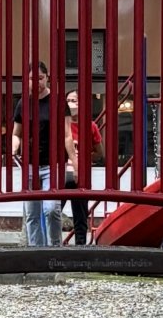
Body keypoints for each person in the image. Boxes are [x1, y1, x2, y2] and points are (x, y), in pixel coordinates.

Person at [10, 59, 61, 247]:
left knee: (51, 209)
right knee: (32, 213)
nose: (37, 82)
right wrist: (14, 146)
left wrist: (74, 160)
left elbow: (66, 135)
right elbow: (16, 133)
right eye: (32, 78)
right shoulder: (23, 103)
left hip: (52, 163)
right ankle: (36, 253)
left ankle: (55, 249)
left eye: (40, 78)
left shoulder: (56, 101)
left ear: (47, 78)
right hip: (29, 164)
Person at [63, 87, 102, 245]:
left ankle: (80, 249)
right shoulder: (61, 125)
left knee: (80, 216)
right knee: (52, 210)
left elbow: (100, 153)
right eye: (68, 101)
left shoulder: (90, 126)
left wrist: (83, 159)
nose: (71, 104)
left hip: (81, 175)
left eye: (75, 101)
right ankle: (50, 246)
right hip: (62, 174)